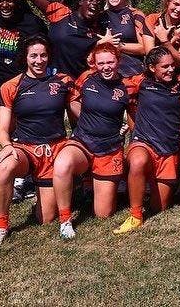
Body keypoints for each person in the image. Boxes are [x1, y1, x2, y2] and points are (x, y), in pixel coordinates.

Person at [0, 35, 75, 247]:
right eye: (33, 56)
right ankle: (1, 225)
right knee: (4, 168)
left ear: (49, 56)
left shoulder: (63, 81)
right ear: (25, 58)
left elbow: (78, 117)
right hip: (24, 148)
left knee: (45, 219)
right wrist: (7, 147)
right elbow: (2, 129)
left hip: (54, 149)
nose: (39, 60)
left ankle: (51, 194)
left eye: (43, 55)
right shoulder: (11, 86)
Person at [51, 44, 133, 239]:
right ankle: (65, 220)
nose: (106, 67)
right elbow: (73, 99)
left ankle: (99, 180)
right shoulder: (87, 78)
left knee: (103, 214)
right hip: (83, 141)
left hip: (110, 147)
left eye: (110, 62)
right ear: (95, 64)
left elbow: (135, 114)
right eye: (101, 63)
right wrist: (86, 120)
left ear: (118, 62)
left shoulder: (127, 86)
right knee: (62, 164)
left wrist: (127, 128)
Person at [0, 0, 47, 202]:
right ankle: (18, 179)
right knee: (10, 130)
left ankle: (36, 177)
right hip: (2, 86)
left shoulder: (31, 22)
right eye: (0, 0)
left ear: (18, 2)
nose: (4, 4)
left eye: (10, 0)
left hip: (28, 85)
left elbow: (45, 46)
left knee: (31, 129)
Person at [113, 47, 180, 234]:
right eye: (165, 67)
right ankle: (135, 216)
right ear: (151, 67)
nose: (170, 70)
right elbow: (113, 82)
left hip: (169, 148)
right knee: (138, 161)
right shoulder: (140, 82)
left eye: (173, 66)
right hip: (144, 142)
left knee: (160, 207)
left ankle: (151, 189)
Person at [24, 0, 107, 78]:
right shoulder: (61, 13)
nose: (94, 4)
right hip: (52, 81)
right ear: (80, 2)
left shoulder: (100, 30)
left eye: (99, 3)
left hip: (80, 86)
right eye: (91, 0)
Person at [101, 0, 153, 77]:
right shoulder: (99, 16)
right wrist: (102, 43)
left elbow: (144, 48)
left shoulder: (136, 14)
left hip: (133, 72)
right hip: (105, 72)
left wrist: (119, 46)